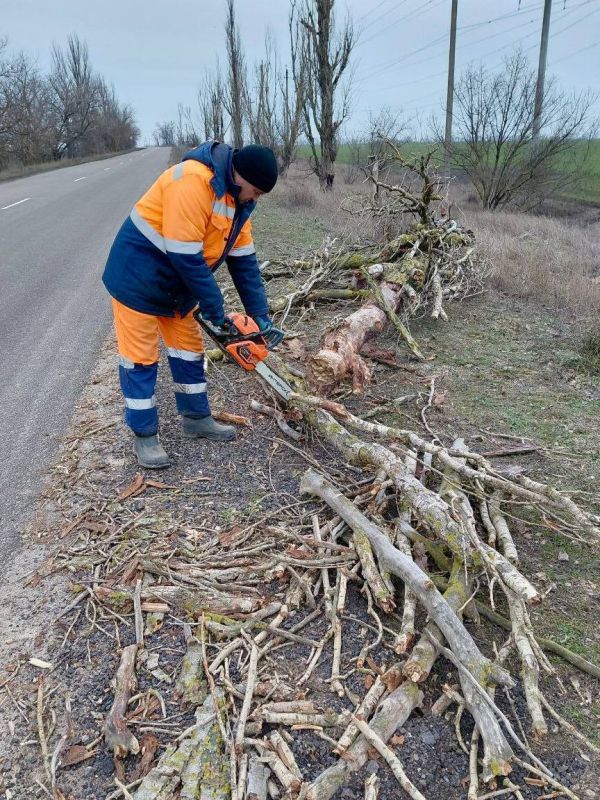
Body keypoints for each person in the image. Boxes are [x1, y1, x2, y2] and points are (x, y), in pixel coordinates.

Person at [102, 140, 281, 469]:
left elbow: (245, 264)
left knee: (188, 349)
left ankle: (196, 417)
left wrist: (260, 318)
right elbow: (185, 256)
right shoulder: (192, 181)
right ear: (240, 176)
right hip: (137, 278)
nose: (255, 199)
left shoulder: (239, 204)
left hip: (177, 286)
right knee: (140, 358)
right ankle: (145, 436)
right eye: (255, 191)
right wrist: (215, 308)